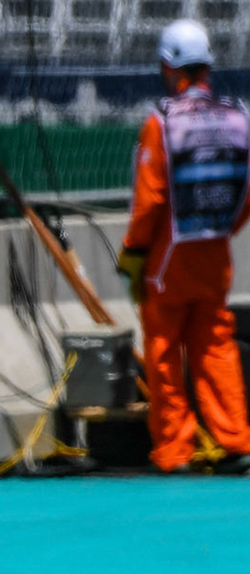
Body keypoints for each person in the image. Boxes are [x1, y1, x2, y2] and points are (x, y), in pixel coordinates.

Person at [116, 19, 250, 471]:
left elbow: (150, 200)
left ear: (169, 67)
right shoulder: (238, 117)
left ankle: (175, 449)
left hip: (168, 256)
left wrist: (134, 253)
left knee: (163, 348)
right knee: (216, 344)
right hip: (215, 252)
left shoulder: (162, 122)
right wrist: (223, 228)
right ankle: (235, 440)